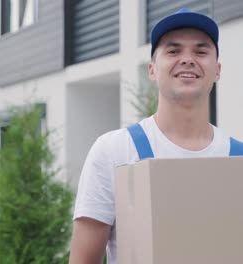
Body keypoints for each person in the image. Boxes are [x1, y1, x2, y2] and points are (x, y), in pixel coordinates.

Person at [68, 8, 243, 264]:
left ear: (217, 70)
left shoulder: (238, 161)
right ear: (152, 69)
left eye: (201, 51)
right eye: (173, 51)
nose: (187, 59)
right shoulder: (115, 151)